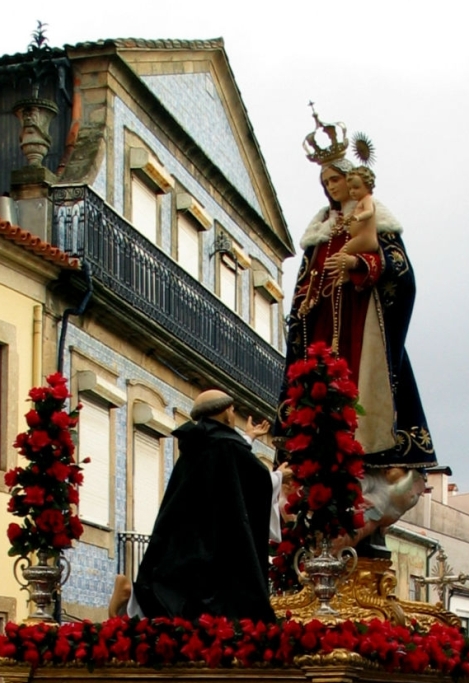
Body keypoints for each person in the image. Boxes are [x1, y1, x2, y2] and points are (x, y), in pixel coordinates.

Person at [276, 110, 438, 553]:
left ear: (353, 180)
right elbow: (304, 287)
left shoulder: (375, 220)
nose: (331, 188)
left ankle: (368, 474)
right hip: (322, 333)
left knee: (363, 393)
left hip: (362, 330)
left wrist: (361, 267)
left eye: (336, 180)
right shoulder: (318, 234)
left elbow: (400, 275)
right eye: (325, 182)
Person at [109, 390, 287, 622]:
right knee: (215, 603)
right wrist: (279, 476)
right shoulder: (227, 447)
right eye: (232, 410)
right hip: (216, 538)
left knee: (174, 594)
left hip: (186, 537)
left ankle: (133, 595)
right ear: (224, 413)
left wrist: (248, 438)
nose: (234, 414)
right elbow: (255, 483)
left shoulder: (196, 444)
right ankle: (131, 597)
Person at [339, 166, 379, 262]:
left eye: (356, 188)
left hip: (365, 238)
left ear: (367, 186)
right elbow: (351, 217)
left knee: (342, 253)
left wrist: (357, 217)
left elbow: (369, 212)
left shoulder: (367, 199)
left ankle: (344, 275)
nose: (352, 191)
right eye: (350, 189)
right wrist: (345, 221)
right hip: (360, 238)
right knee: (342, 253)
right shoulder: (359, 203)